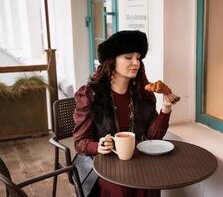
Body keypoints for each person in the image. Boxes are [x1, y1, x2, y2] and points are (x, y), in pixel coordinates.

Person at [73, 30, 176, 197]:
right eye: (128, 57)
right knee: (119, 187)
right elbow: (79, 142)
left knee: (151, 181)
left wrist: (166, 109)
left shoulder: (144, 94)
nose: (136, 62)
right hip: (102, 164)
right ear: (112, 61)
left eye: (138, 57)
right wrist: (98, 146)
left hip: (136, 161)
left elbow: (153, 136)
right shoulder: (90, 95)